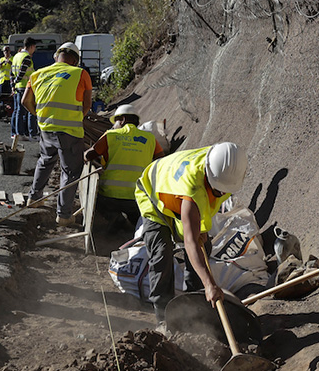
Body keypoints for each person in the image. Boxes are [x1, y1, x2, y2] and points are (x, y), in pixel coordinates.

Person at [134, 142, 247, 331]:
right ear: (209, 174)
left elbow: (205, 205)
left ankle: (193, 305)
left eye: (224, 190)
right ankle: (163, 318)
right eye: (218, 190)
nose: (221, 193)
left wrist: (198, 226)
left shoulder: (222, 165)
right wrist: (210, 284)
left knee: (205, 247)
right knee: (162, 252)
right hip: (152, 192)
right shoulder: (192, 188)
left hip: (177, 192)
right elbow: (190, 242)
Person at [22, 42, 92, 225]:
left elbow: (25, 101)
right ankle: (64, 215)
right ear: (76, 60)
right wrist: (75, 118)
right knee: (70, 172)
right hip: (70, 131)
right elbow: (87, 105)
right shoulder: (80, 73)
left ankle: (34, 198)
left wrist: (39, 115)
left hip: (46, 128)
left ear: (56, 56)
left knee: (45, 160)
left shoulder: (37, 74)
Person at [84, 104, 164, 229]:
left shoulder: (110, 136)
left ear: (122, 120)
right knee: (136, 217)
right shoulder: (150, 139)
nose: (113, 126)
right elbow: (161, 161)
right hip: (137, 197)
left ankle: (116, 220)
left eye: (114, 122)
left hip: (109, 197)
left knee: (95, 198)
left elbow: (89, 155)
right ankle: (134, 225)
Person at [10, 37, 38, 140]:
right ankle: (26, 133)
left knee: (18, 111)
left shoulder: (16, 56)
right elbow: (22, 72)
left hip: (18, 88)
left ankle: (17, 133)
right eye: (34, 47)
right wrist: (17, 81)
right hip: (25, 87)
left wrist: (13, 85)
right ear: (31, 46)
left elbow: (11, 73)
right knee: (28, 110)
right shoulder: (26, 57)